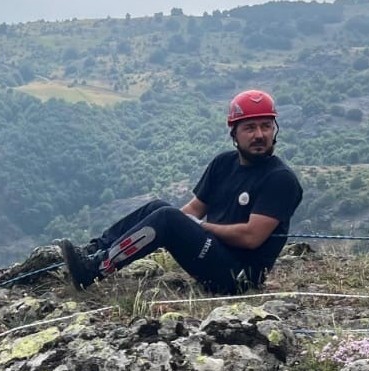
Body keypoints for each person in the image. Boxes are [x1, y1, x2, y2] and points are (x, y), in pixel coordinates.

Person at [59, 89, 304, 295]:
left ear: (274, 129)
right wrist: (176, 225)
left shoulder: (280, 179)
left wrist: (198, 227)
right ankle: (93, 250)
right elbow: (194, 209)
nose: (260, 135)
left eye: (266, 126)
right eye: (250, 128)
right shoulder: (224, 163)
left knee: (167, 217)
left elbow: (251, 237)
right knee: (159, 208)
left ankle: (94, 270)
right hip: (213, 251)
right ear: (234, 133)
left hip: (238, 277)